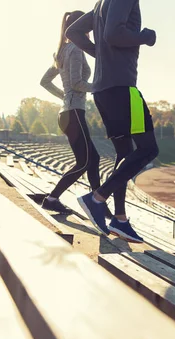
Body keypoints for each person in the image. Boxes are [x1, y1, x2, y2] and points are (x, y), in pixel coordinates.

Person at [66, 0, 159, 243]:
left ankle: (119, 219)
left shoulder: (101, 3)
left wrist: (99, 52)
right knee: (149, 149)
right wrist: (145, 36)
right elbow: (114, 34)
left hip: (104, 90)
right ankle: (96, 198)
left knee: (124, 153)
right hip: (122, 88)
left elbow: (72, 31)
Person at [39, 11, 104, 215]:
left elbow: (44, 82)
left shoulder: (62, 50)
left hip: (68, 112)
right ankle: (52, 198)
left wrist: (64, 97)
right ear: (82, 27)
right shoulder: (75, 49)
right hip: (73, 112)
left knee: (93, 158)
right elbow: (76, 83)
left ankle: (97, 204)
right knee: (84, 162)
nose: (91, 32)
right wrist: (99, 87)